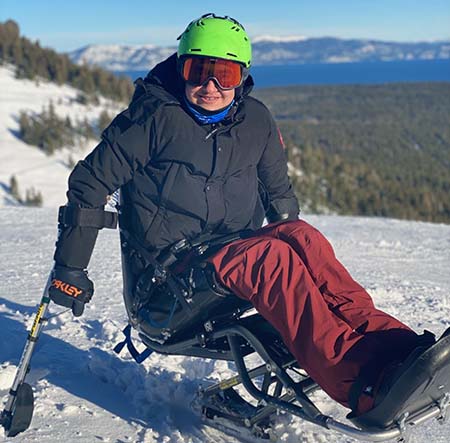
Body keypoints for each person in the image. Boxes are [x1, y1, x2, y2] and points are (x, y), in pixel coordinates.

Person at [47, 13, 445, 421]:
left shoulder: (255, 120)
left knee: (303, 238)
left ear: (242, 77)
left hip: (226, 259)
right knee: (272, 262)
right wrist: (70, 267)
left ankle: (398, 351)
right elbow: (89, 182)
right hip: (167, 284)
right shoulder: (152, 120)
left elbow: (279, 195)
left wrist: (289, 228)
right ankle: (358, 382)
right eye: (198, 71)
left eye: (226, 74)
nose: (211, 86)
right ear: (180, 68)